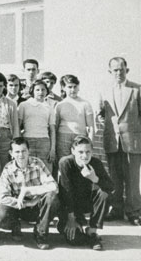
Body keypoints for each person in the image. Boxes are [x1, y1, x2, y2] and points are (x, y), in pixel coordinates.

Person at [97, 57, 141, 225]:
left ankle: (134, 212)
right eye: (115, 70)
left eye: (121, 69)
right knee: (114, 178)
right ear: (110, 72)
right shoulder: (104, 91)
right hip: (113, 141)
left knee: (132, 178)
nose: (118, 73)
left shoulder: (137, 89)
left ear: (127, 70)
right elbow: (101, 114)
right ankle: (116, 209)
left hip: (133, 141)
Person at [0, 137, 58, 250]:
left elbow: (53, 186)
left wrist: (29, 192)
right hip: (18, 207)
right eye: (17, 152)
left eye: (24, 151)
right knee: (0, 217)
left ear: (29, 151)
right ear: (11, 153)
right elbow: (2, 198)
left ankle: (40, 233)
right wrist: (26, 203)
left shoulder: (37, 163)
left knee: (52, 198)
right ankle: (15, 226)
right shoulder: (8, 169)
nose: (21, 155)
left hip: (36, 206)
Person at [58, 136, 113, 250]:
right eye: (80, 152)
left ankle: (92, 231)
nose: (85, 156)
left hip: (86, 202)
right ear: (73, 151)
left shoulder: (96, 162)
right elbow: (66, 191)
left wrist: (94, 178)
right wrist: (71, 219)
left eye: (88, 152)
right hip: (69, 206)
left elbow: (111, 186)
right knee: (74, 240)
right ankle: (87, 236)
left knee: (104, 193)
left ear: (92, 152)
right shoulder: (66, 162)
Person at [18, 80, 56, 173]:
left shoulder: (49, 107)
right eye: (37, 90)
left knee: (45, 171)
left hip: (44, 143)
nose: (41, 92)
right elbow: (18, 126)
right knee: (27, 171)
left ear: (47, 91)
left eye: (43, 90)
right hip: (28, 141)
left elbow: (52, 130)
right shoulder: (24, 105)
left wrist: (52, 149)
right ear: (32, 91)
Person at [55, 75, 94, 163]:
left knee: (80, 164)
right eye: (69, 87)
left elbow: (91, 127)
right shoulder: (60, 105)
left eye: (75, 86)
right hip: (63, 138)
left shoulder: (85, 104)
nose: (73, 90)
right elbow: (56, 126)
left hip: (80, 137)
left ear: (78, 87)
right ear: (64, 88)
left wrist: (90, 144)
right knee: (64, 163)